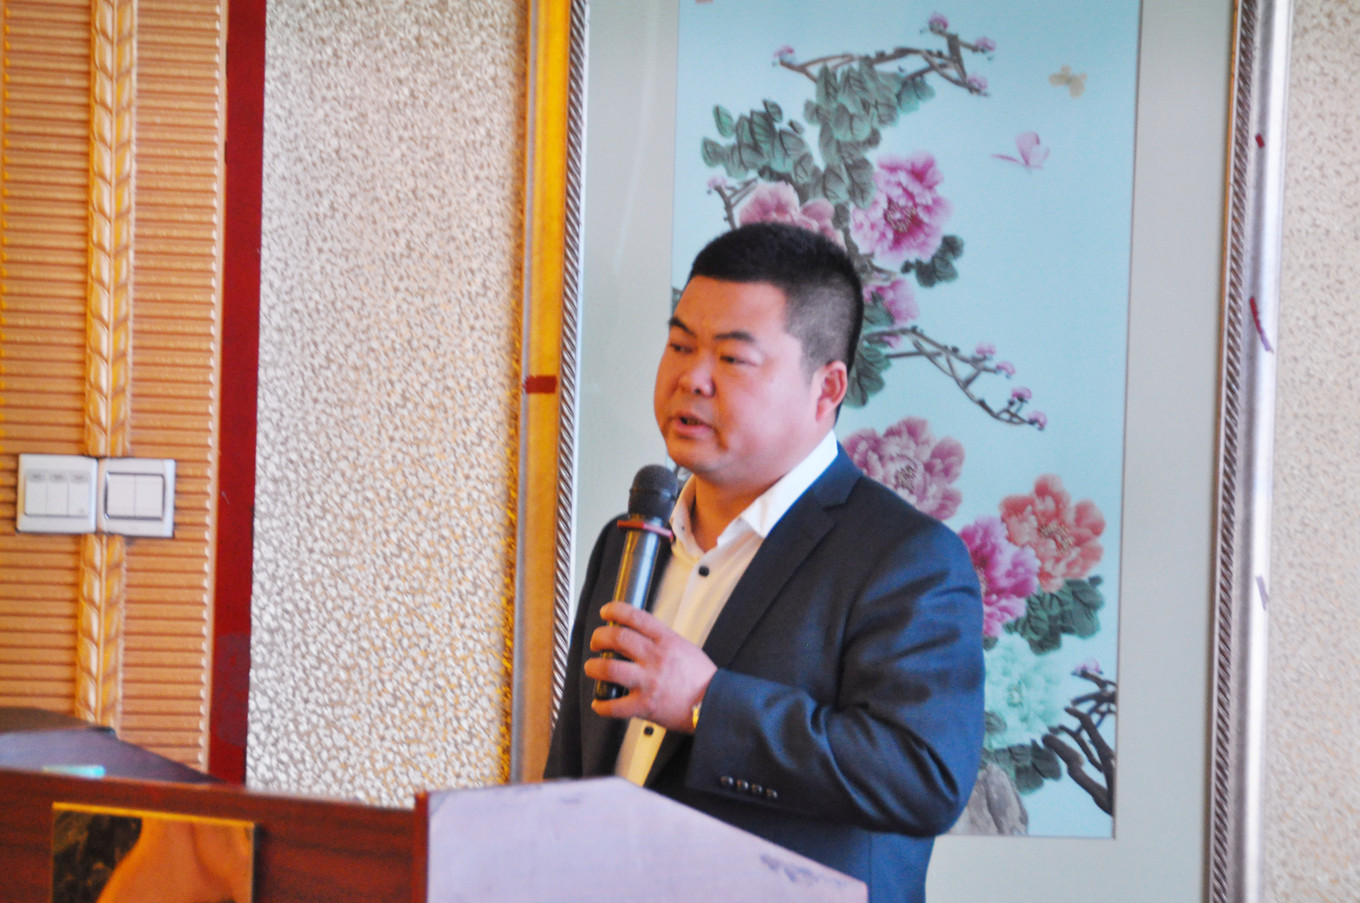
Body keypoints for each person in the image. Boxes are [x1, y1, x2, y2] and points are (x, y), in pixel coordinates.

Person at [544, 221, 984, 903]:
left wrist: (707, 703)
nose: (691, 378)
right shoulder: (630, 541)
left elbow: (923, 777)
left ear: (826, 388)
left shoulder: (906, 558)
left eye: (732, 358)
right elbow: (574, 773)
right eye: (680, 345)